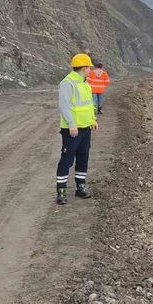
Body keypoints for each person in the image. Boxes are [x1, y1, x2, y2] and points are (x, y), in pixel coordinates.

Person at [56, 53, 97, 204]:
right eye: (89, 68)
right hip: (72, 129)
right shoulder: (68, 83)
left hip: (85, 128)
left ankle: (80, 187)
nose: (90, 70)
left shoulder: (85, 83)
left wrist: (93, 120)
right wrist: (71, 123)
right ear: (84, 68)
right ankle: (61, 191)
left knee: (83, 157)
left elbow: (88, 104)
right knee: (66, 160)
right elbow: (64, 105)